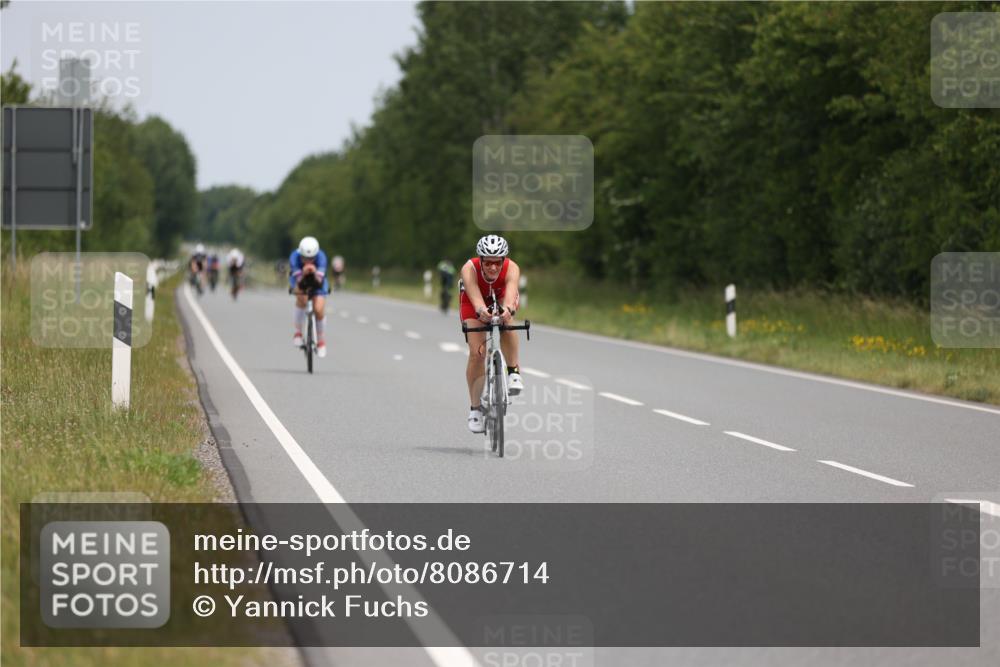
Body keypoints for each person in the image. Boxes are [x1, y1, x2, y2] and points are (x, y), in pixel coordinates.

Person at [459, 234, 523, 433]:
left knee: (508, 321)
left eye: (497, 263)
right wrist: (481, 311)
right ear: (481, 260)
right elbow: (475, 296)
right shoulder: (469, 269)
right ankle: (475, 409)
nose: (493, 267)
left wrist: (508, 311)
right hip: (473, 300)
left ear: (503, 260)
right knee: (477, 354)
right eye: (488, 263)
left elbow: (511, 291)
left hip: (502, 295)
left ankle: (513, 371)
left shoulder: (512, 268)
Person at [289, 236, 329, 358]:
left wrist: (314, 272)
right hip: (300, 280)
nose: (308, 261)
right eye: (305, 258)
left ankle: (321, 340)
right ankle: (298, 333)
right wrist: (304, 272)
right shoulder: (294, 257)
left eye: (311, 258)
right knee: (302, 298)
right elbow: (299, 280)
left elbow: (319, 280)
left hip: (318, 282)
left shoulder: (322, 257)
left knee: (318, 309)